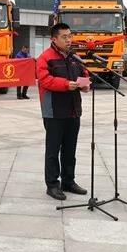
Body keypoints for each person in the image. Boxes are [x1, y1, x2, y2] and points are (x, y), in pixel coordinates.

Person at [37, 23, 90, 201]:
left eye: (70, 36)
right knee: (53, 149)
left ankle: (69, 181)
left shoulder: (74, 57)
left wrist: (84, 84)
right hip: (54, 111)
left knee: (70, 149)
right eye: (64, 37)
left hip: (73, 110)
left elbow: (84, 73)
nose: (69, 40)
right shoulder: (45, 58)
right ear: (54, 39)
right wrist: (67, 84)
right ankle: (52, 184)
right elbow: (46, 80)